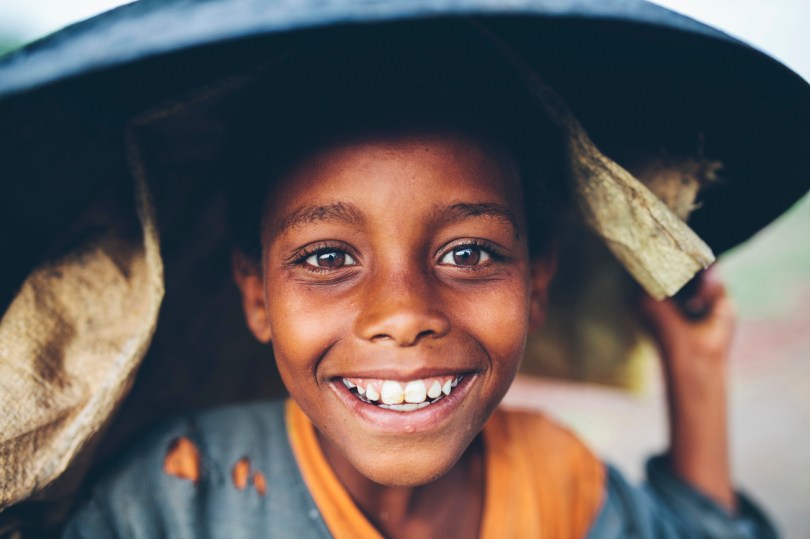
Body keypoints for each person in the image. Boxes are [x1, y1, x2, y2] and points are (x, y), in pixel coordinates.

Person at [57, 31, 777, 538]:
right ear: (256, 293)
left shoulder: (559, 486)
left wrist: (696, 366)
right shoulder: (171, 499)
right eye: (327, 257)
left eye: (468, 252)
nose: (402, 314)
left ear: (536, 281)